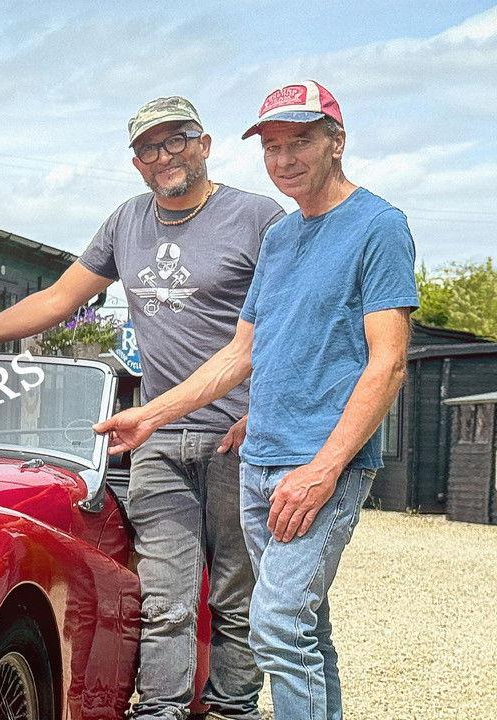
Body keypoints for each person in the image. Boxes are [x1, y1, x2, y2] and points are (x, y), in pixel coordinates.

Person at [0, 97, 283, 720]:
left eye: (175, 140)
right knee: (164, 596)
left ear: (206, 143)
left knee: (237, 597)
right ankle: (162, 710)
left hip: (237, 439)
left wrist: (264, 411)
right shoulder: (127, 222)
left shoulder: (258, 217)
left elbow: (289, 321)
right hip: (153, 436)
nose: (164, 156)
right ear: (136, 164)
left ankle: (233, 709)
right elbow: (58, 298)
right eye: (148, 149)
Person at [95, 81, 417, 720]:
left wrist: (324, 470)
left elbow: (389, 362)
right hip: (260, 459)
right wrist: (151, 414)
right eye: (272, 146)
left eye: (301, 141)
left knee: (273, 624)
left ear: (337, 143)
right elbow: (241, 354)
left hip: (320, 462)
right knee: (304, 631)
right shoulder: (281, 236)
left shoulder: (379, 226)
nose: (285, 159)